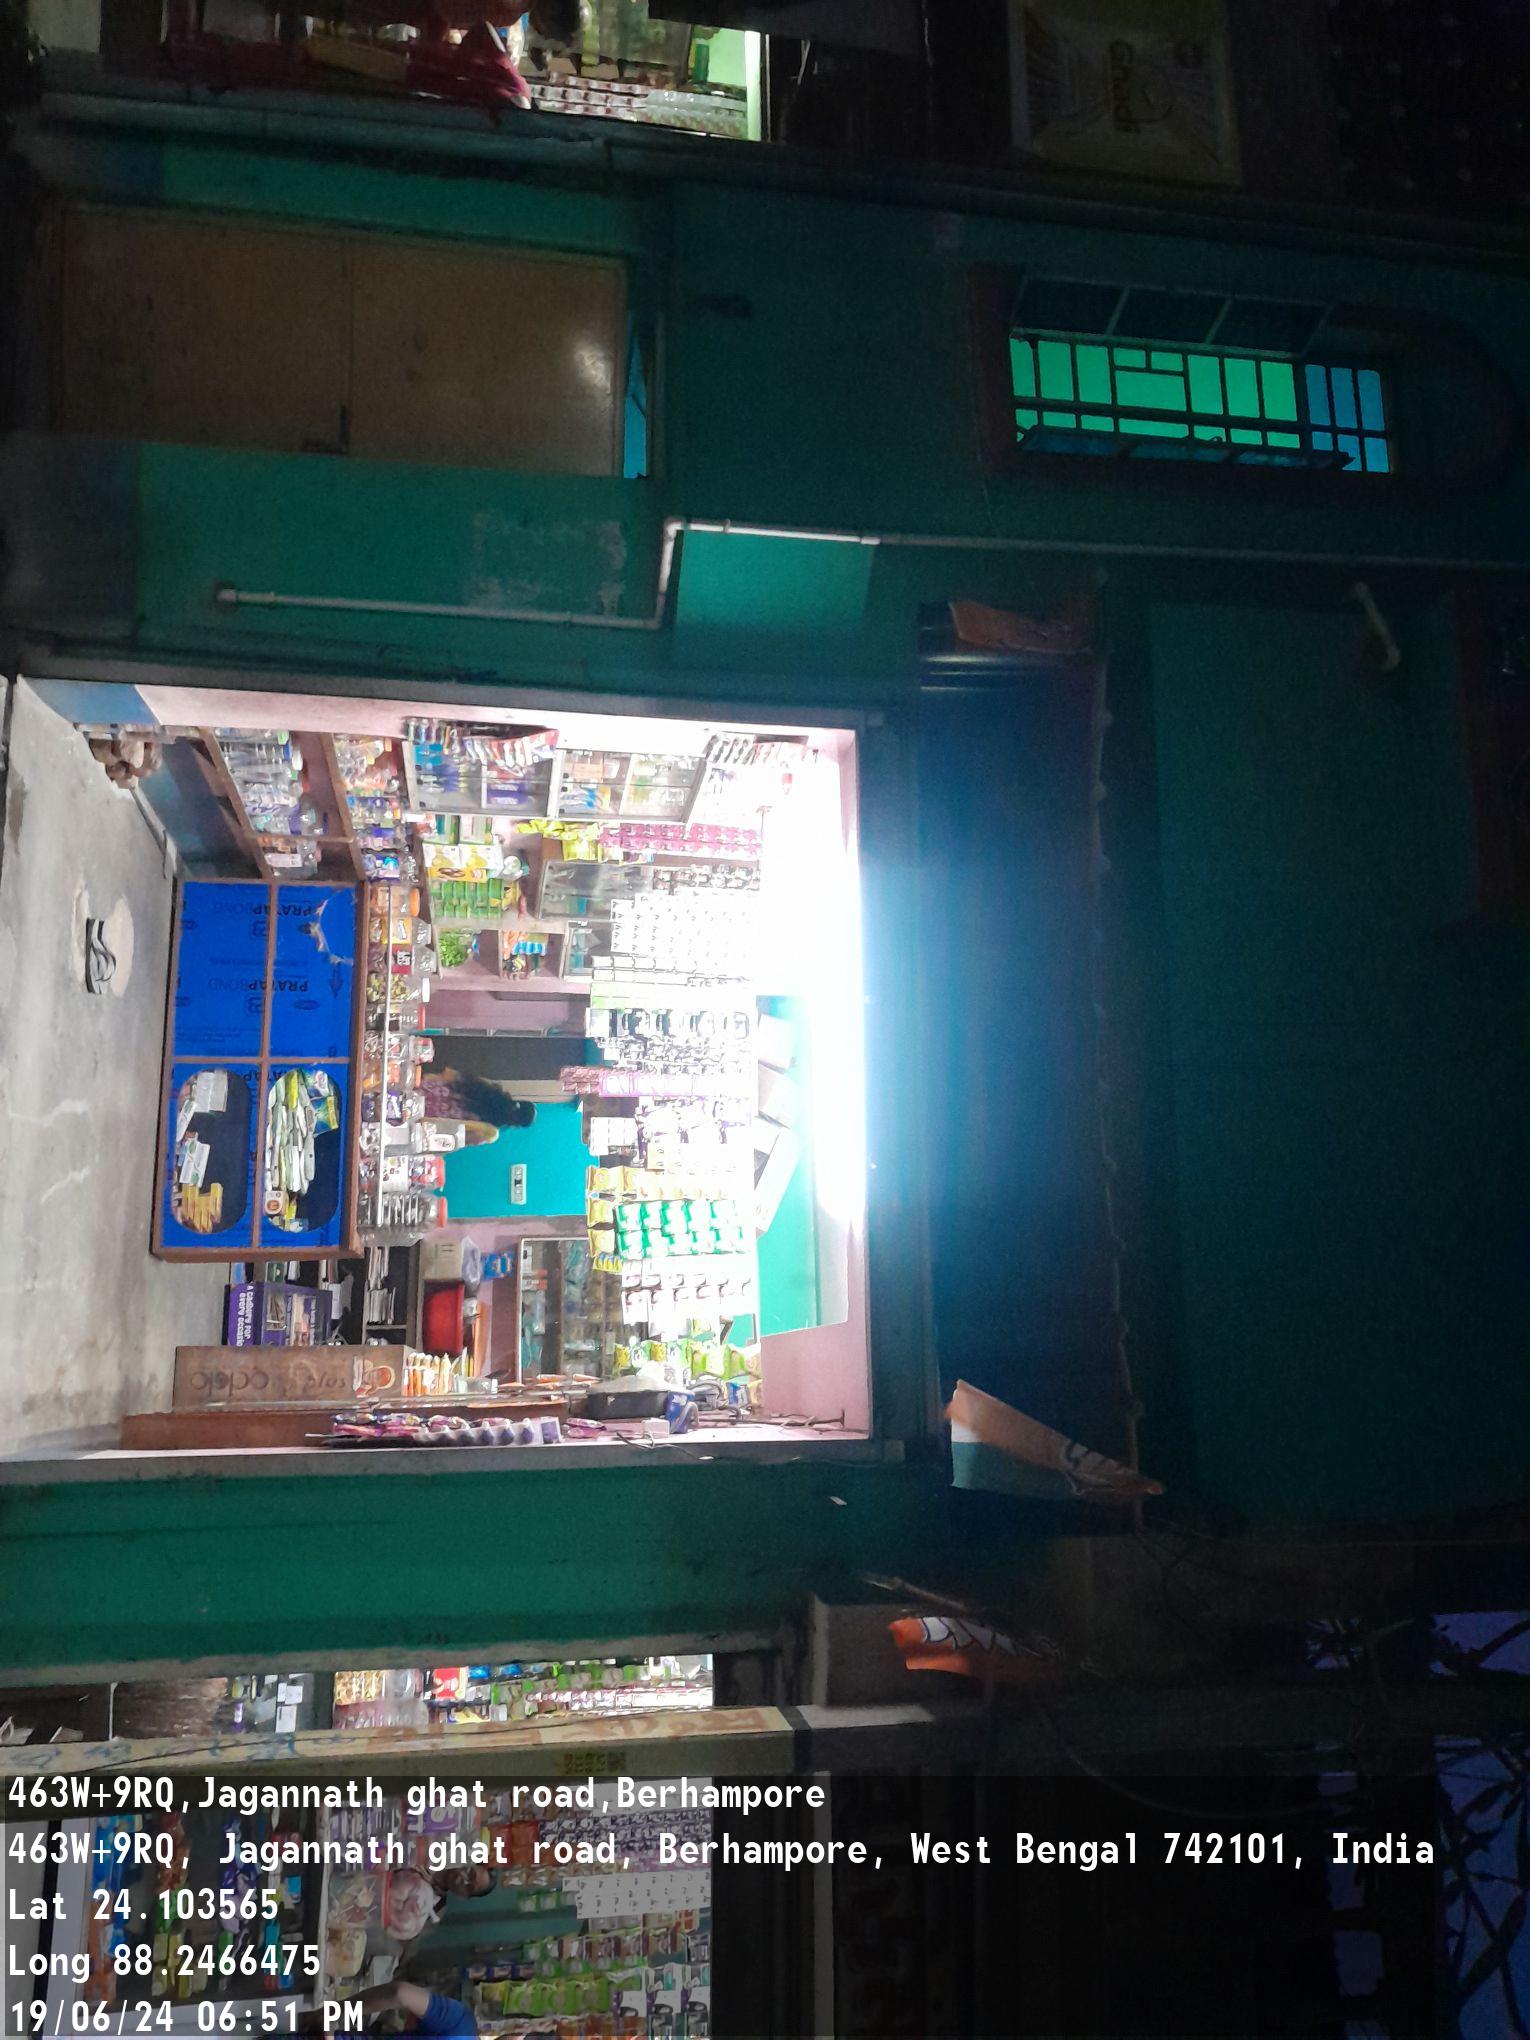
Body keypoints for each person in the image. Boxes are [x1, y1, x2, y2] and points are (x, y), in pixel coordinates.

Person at [301, 1980, 477, 2034]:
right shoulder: (461, 2026)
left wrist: (331, 2012)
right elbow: (401, 1994)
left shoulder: (462, 2025)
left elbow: (400, 1993)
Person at [422, 1068, 537, 1147]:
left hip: (425, 1089)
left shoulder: (490, 1089)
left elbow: (449, 1074)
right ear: (515, 1123)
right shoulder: (489, 1131)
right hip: (425, 1120)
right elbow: (454, 1141)